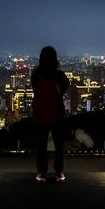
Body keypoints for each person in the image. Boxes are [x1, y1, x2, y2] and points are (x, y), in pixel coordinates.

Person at [31, 46, 70, 182]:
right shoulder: (59, 75)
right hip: (57, 113)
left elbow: (35, 89)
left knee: (41, 145)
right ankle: (59, 172)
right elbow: (65, 88)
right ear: (55, 58)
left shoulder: (36, 74)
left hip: (40, 113)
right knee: (59, 145)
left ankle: (41, 172)